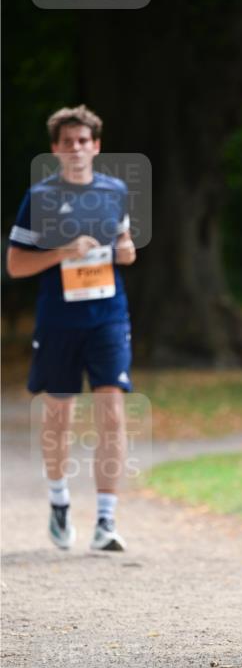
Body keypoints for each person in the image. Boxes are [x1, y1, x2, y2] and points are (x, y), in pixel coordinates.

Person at [6, 104, 136, 551]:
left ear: (96, 146)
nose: (77, 148)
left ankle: (106, 520)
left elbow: (123, 242)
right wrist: (62, 252)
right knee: (58, 417)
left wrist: (126, 250)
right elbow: (16, 264)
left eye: (84, 141)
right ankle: (60, 502)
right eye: (68, 142)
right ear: (56, 149)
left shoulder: (115, 190)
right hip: (59, 319)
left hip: (108, 316)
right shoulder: (40, 197)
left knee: (112, 413)